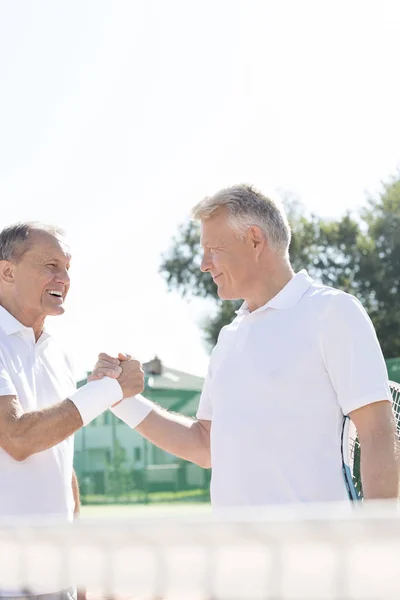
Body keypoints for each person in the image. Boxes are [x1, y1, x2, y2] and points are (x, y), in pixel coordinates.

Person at [93, 184, 399, 509]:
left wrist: (379, 544)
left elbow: (377, 434)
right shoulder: (228, 338)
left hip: (318, 553)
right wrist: (121, 400)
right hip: (234, 554)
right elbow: (204, 445)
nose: (203, 263)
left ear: (254, 239)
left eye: (213, 248)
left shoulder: (333, 312)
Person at [0, 222, 144, 599]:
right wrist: (108, 390)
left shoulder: (60, 353)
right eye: (50, 265)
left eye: (67, 267)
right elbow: (16, 437)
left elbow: (62, 463)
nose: (64, 278)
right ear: (7, 271)